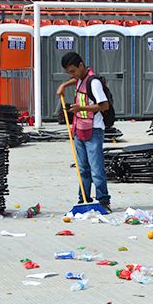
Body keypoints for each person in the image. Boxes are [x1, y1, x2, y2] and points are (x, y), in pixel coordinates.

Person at [57, 52, 111, 213]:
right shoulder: (80, 79)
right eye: (68, 72)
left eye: (73, 70)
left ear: (81, 66)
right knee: (82, 169)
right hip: (79, 128)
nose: (72, 74)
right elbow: (76, 80)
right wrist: (64, 85)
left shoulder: (93, 83)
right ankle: (84, 199)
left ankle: (103, 200)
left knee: (96, 169)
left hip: (93, 129)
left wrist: (81, 108)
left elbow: (104, 105)